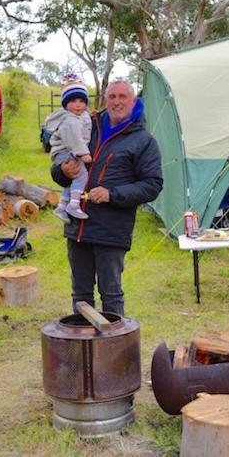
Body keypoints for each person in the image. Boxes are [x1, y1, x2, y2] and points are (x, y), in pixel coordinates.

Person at [52, 79, 162, 316]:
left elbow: (152, 185)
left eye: (123, 97)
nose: (117, 102)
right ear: (105, 100)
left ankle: (115, 351)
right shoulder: (87, 127)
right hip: (77, 227)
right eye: (112, 96)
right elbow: (60, 160)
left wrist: (112, 194)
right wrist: (62, 171)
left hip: (111, 230)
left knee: (110, 294)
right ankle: (83, 348)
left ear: (133, 101)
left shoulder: (143, 141)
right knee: (80, 295)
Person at [47, 73, 93, 222]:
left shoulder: (81, 115)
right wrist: (83, 154)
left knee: (73, 179)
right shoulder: (69, 120)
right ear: (65, 104)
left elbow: (85, 124)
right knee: (81, 174)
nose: (78, 104)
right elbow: (75, 140)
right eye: (73, 101)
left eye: (82, 101)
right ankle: (74, 204)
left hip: (66, 151)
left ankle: (62, 207)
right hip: (66, 151)